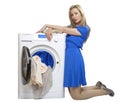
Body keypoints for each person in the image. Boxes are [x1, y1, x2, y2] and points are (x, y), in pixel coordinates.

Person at [36, 4, 114, 100]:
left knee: (76, 95)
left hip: (73, 59)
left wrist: (47, 25)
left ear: (81, 14)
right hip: (67, 60)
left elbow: (63, 29)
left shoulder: (85, 29)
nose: (74, 16)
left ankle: (104, 91)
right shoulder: (71, 28)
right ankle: (98, 86)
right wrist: (49, 30)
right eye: (72, 15)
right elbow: (59, 30)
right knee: (76, 91)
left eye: (76, 13)